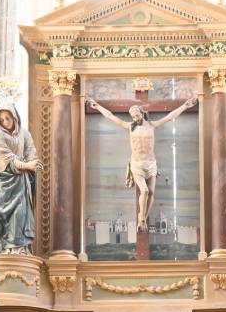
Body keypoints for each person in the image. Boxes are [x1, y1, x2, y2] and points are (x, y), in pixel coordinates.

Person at [84, 93, 198, 231]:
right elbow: (110, 116)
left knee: (151, 193)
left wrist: (186, 106)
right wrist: (97, 107)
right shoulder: (130, 126)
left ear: (142, 113)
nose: (134, 118)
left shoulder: (151, 125)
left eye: (136, 115)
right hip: (137, 164)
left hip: (151, 164)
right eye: (132, 116)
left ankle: (142, 218)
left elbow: (170, 116)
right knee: (143, 191)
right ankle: (141, 219)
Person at [0, 98, 41, 254]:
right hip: (6, 180)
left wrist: (33, 162)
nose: (5, 122)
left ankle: (19, 247)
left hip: (22, 181)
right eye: (1, 120)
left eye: (7, 118)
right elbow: (7, 158)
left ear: (14, 116)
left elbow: (30, 151)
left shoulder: (24, 134)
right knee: (8, 215)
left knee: (21, 212)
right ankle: (7, 247)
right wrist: (27, 165)